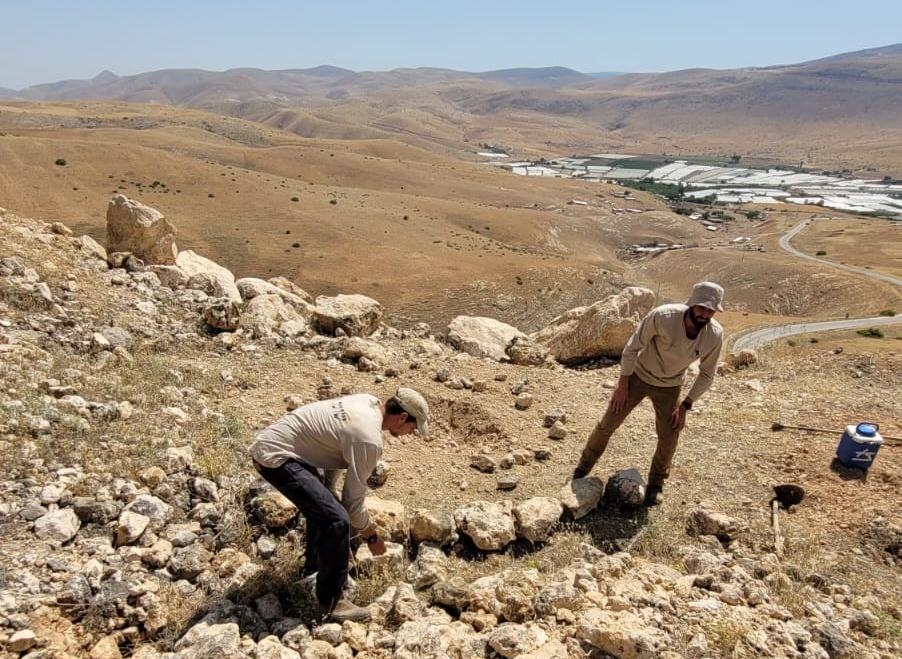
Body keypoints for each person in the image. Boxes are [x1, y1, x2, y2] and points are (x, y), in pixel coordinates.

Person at [249, 387, 430, 622]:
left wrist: (328, 488)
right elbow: (352, 504)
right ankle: (332, 601)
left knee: (326, 507)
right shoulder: (369, 439)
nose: (409, 433)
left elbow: (334, 446)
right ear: (403, 417)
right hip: (276, 457)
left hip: (278, 443)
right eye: (412, 428)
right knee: (337, 519)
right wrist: (371, 536)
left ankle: (314, 569)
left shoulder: (367, 402)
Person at [571, 282, 725, 506]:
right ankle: (582, 468)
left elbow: (707, 374)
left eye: (710, 310)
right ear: (691, 304)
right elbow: (632, 348)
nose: (705, 314)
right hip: (639, 376)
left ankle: (655, 485)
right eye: (701, 308)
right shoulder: (663, 316)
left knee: (670, 436)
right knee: (608, 423)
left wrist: (685, 406)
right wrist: (622, 386)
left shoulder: (714, 334)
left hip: (671, 386)